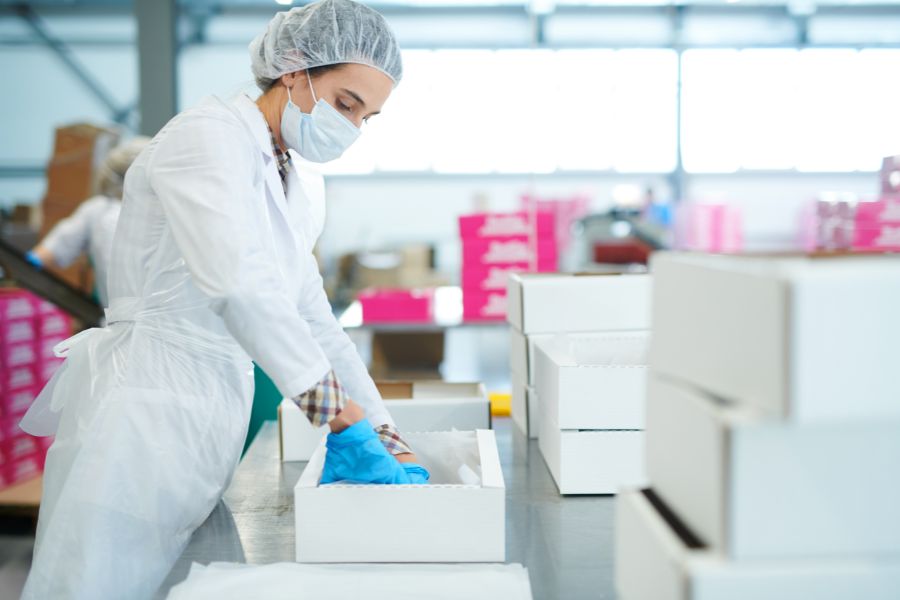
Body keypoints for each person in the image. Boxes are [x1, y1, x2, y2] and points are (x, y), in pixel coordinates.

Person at [20, 2, 425, 598]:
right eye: (345, 103)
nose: (353, 129)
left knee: (174, 582)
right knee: (94, 583)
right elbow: (237, 283)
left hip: (210, 416)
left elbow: (312, 315)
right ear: (294, 69)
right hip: (146, 406)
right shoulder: (206, 138)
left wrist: (386, 432)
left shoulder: (293, 180)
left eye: (368, 116)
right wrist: (339, 419)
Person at [27, 137, 150, 307]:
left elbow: (46, 254)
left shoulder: (96, 209)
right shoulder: (165, 211)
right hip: (165, 326)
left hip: (116, 322)